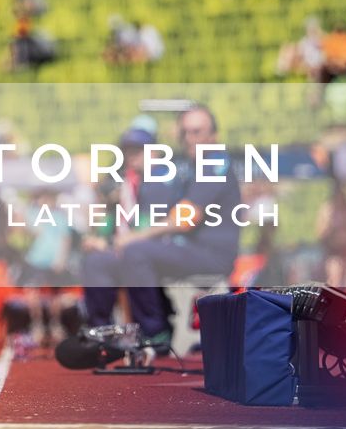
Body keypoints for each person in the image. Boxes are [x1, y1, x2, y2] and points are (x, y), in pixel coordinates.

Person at [73, 105, 242, 357]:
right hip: (176, 247)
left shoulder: (214, 163)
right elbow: (146, 220)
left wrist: (133, 238)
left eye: (197, 132)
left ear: (213, 136)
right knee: (98, 262)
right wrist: (110, 242)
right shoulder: (185, 167)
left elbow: (185, 220)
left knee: (136, 252)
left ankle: (155, 334)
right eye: (184, 132)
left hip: (209, 253)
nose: (189, 138)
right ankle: (103, 337)